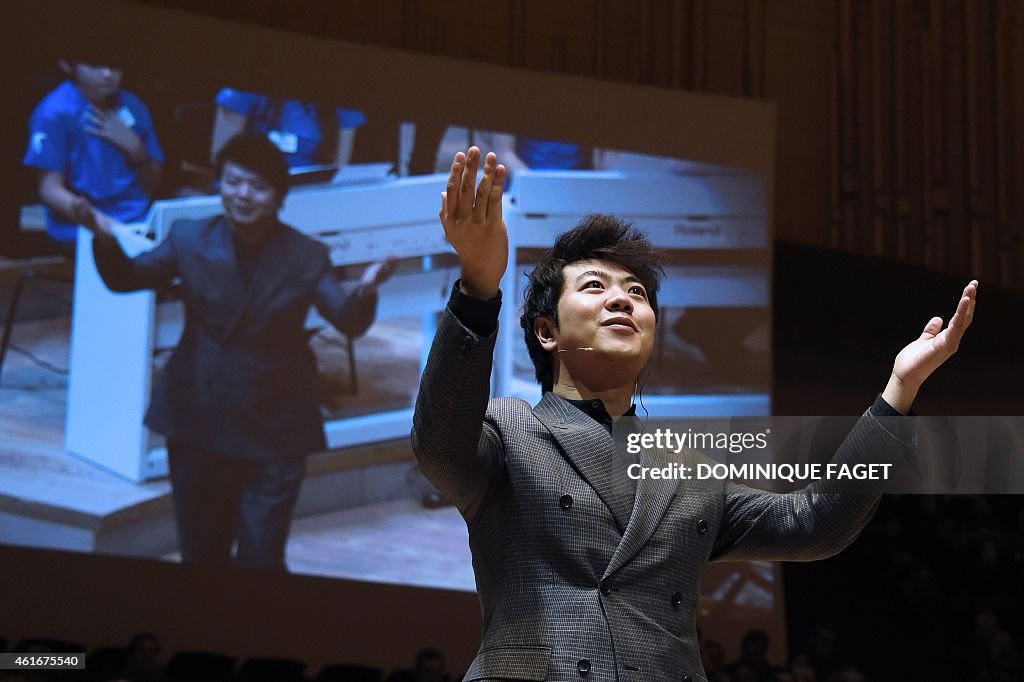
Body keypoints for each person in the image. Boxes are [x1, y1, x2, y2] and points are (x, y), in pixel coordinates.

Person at [411, 146, 978, 680]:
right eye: (594, 285)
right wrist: (480, 285)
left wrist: (899, 389)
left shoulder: (688, 470)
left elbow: (817, 523)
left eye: (637, 292)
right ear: (546, 331)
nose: (622, 300)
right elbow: (438, 446)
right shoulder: (511, 431)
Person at [76, 132, 394, 570]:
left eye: (257, 186)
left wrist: (366, 289)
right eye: (232, 181)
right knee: (202, 554)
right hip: (198, 416)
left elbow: (347, 320)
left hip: (275, 422)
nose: (242, 195)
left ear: (278, 196)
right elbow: (128, 278)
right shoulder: (188, 238)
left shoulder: (305, 255)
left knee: (261, 555)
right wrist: (104, 237)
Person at [23, 54, 164, 248]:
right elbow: (49, 189)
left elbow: (153, 181)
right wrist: (99, 222)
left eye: (114, 66)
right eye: (95, 65)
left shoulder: (132, 104)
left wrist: (137, 149)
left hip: (138, 221)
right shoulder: (54, 111)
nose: (107, 74)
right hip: (80, 229)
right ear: (68, 65)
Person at [210, 87, 366, 169]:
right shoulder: (244, 90)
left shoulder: (342, 101)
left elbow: (338, 169)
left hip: (309, 195)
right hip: (255, 189)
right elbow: (222, 158)